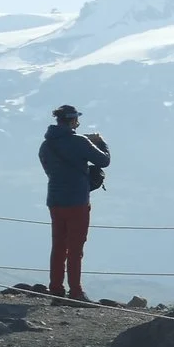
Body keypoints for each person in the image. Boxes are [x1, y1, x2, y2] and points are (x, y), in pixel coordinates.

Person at [38, 104, 111, 303]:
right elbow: (104, 161)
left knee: (58, 245)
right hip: (77, 201)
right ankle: (76, 292)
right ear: (72, 120)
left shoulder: (46, 145)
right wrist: (100, 142)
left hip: (55, 200)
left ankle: (55, 288)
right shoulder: (79, 141)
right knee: (76, 248)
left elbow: (49, 170)